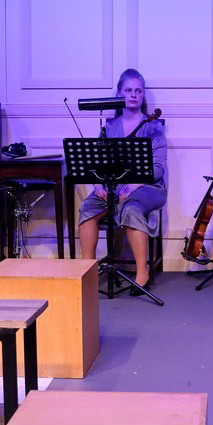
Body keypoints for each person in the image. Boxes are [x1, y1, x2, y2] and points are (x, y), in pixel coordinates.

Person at [78, 68, 167, 289]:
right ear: (119, 94)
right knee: (87, 209)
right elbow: (96, 162)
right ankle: (88, 273)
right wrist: (98, 185)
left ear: (143, 94)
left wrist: (134, 185)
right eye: (128, 90)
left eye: (138, 90)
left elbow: (158, 169)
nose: (133, 95)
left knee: (131, 208)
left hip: (148, 187)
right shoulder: (110, 127)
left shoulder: (153, 126)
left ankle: (142, 273)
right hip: (114, 187)